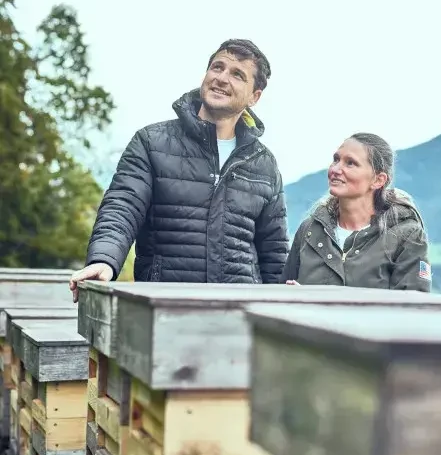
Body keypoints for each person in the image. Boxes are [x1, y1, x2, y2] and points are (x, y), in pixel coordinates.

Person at [70, 39, 289, 301]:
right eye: (217, 67)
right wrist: (104, 260)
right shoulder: (151, 142)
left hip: (241, 316)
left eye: (237, 75)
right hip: (163, 309)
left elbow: (274, 249)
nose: (221, 78)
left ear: (255, 96)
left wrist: (282, 302)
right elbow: (122, 206)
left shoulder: (264, 163)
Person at [282, 132, 431, 290]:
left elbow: (412, 309)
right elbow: (282, 295)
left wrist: (318, 301)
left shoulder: (407, 236)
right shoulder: (310, 230)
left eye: (350, 163)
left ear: (378, 180)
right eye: (336, 159)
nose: (336, 169)